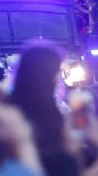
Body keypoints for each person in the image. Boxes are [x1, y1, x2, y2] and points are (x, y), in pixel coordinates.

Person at [7, 42, 77, 175]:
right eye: (58, 72)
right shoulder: (8, 116)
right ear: (49, 75)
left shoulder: (57, 109)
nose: (60, 80)